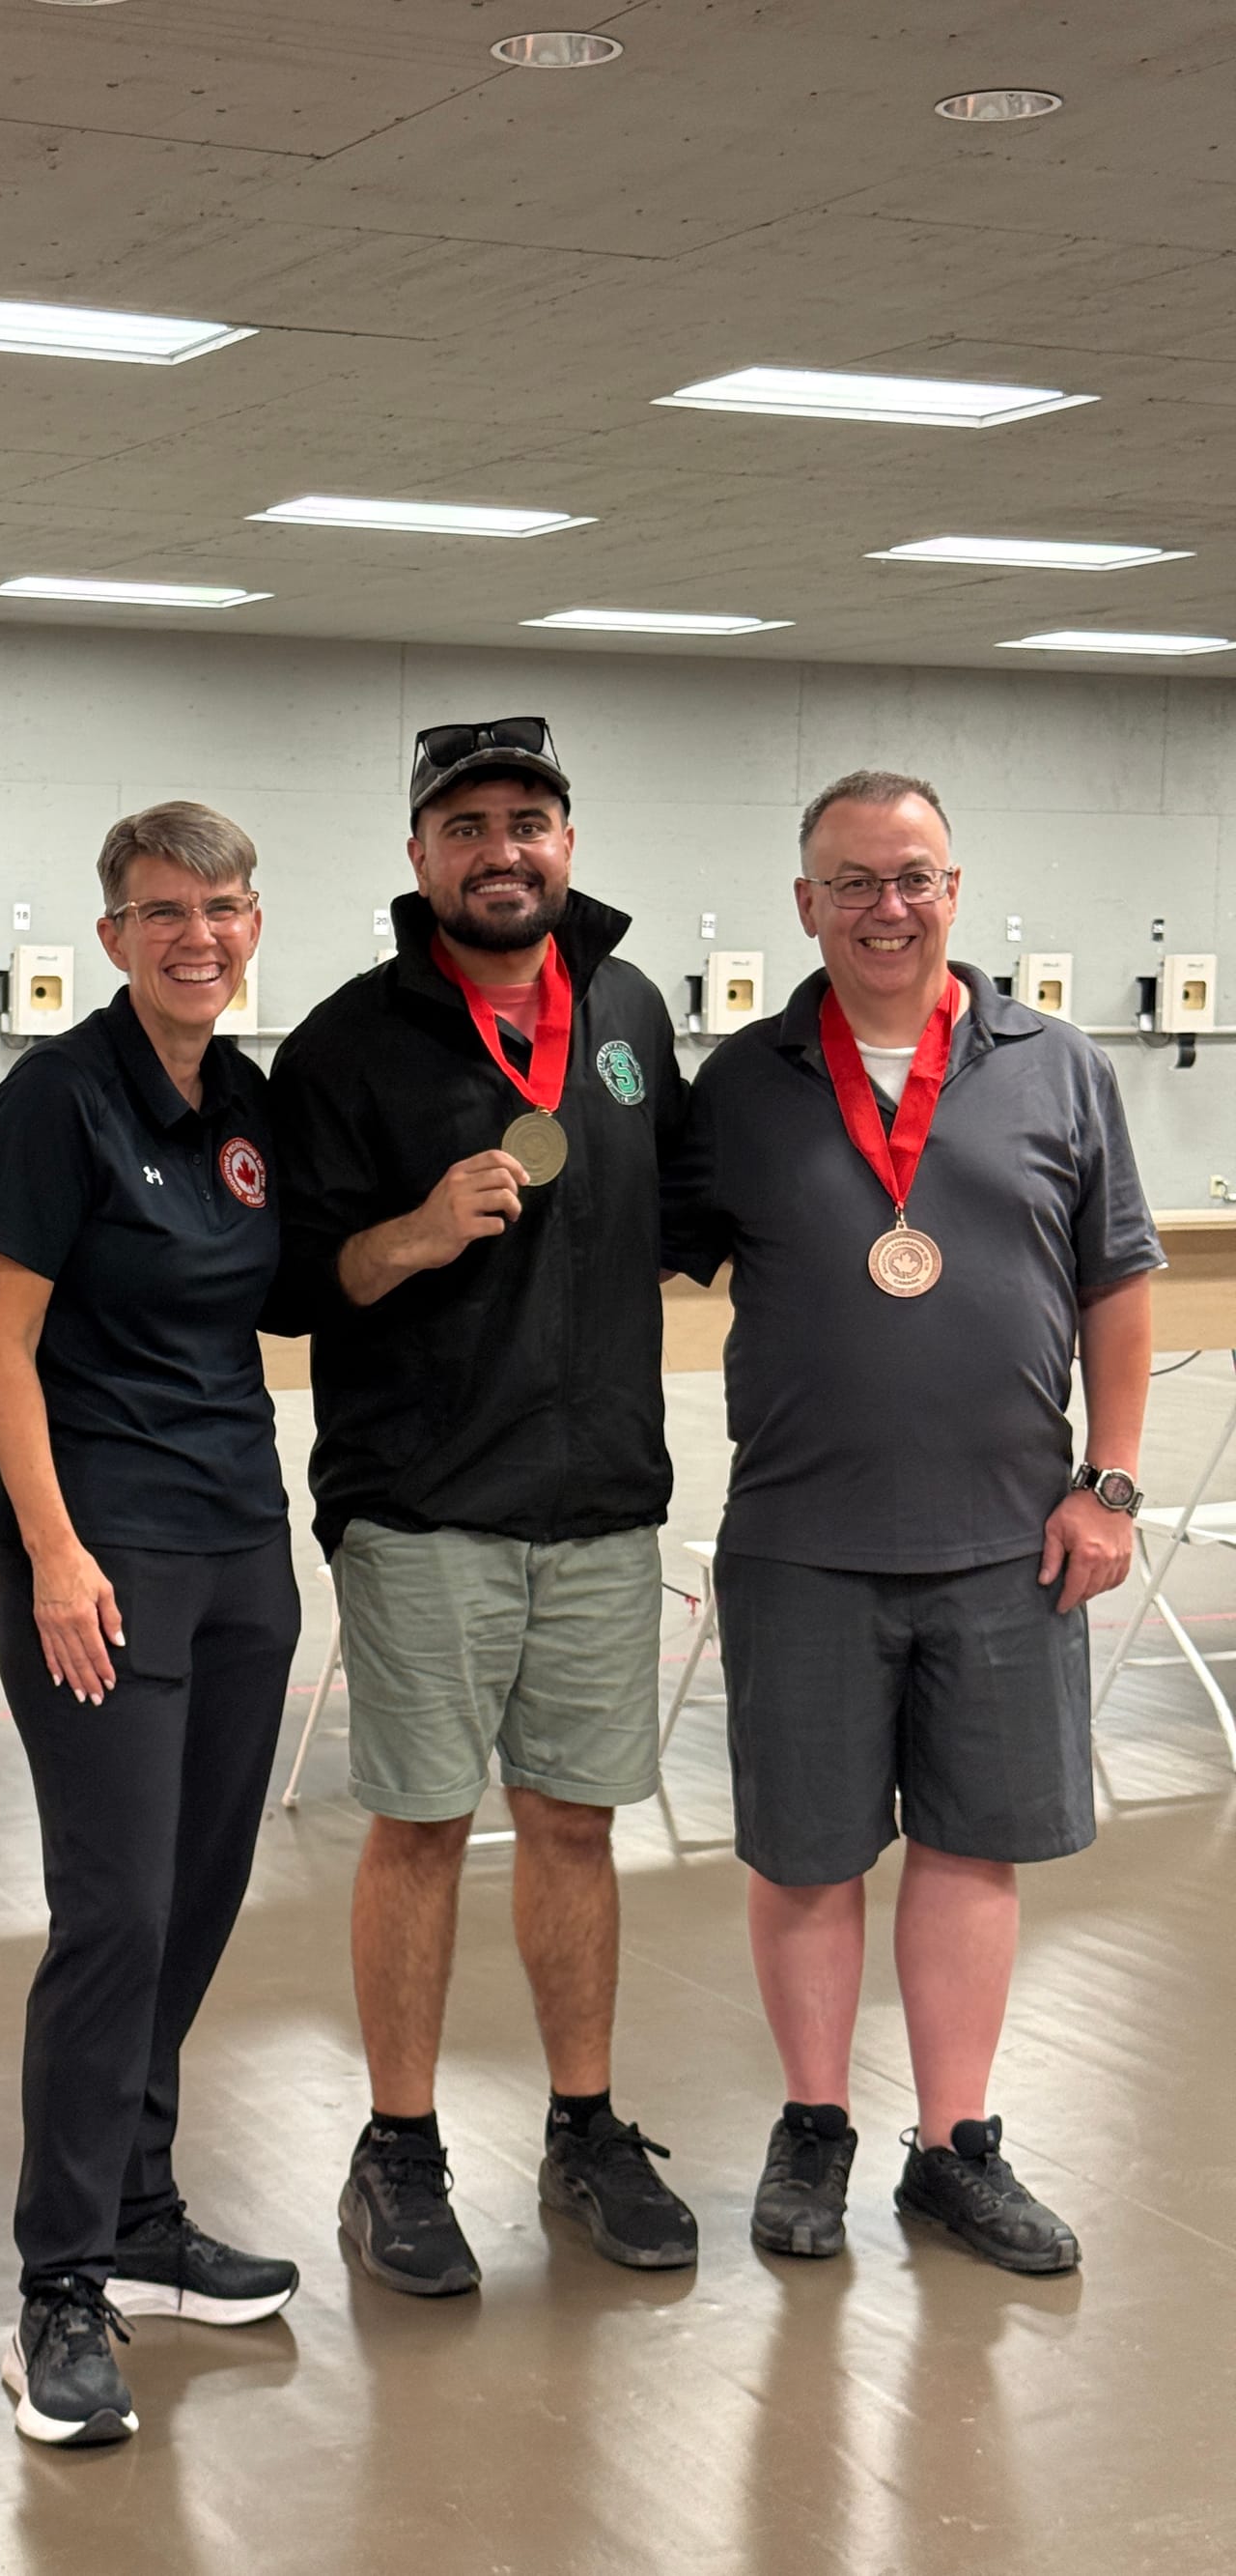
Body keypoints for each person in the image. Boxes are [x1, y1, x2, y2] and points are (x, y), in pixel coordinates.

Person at [664, 768, 1161, 2272]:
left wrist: (1112, 1481)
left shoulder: (1058, 1066)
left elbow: (1117, 1279)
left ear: (954, 890)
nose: (887, 907)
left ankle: (956, 2150)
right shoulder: (742, 1085)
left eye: (914, 877)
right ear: (804, 903)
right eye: (854, 882)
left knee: (969, 1850)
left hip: (1011, 1542)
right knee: (806, 1857)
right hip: (802, 1540)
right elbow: (641, 1255)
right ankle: (814, 2126)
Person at [269, 717, 696, 2296]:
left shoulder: (628, 1009)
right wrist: (418, 1232)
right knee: (424, 1825)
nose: (500, 851)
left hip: (602, 1499)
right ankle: (399, 2147)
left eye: (528, 821)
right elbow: (298, 1284)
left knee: (579, 1824)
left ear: (565, 842)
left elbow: (694, 1208)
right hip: (426, 1503)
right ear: (419, 856)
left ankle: (584, 2128)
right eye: (466, 827)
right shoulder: (348, 1042)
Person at [0, 800, 301, 2449]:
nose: (197, 936)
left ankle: (144, 2213)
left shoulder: (245, 1101)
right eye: (163, 911)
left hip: (240, 1543)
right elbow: (0, 1344)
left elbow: (281, 1296)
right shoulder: (58, 1099)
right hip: (102, 1554)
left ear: (254, 924)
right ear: (111, 937)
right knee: (113, 1912)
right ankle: (57, 2286)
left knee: (199, 1895)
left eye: (222, 907)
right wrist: (51, 1549)